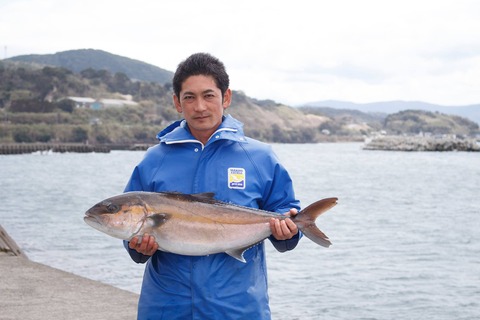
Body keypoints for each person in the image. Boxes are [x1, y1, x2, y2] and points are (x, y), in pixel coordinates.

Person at [124, 52, 301, 320]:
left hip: (238, 307)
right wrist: (136, 248)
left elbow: (286, 212)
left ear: (225, 98)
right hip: (166, 307)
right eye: (189, 97)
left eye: (208, 96)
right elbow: (130, 225)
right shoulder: (155, 159)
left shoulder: (259, 157)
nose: (200, 107)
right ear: (177, 102)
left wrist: (288, 232)